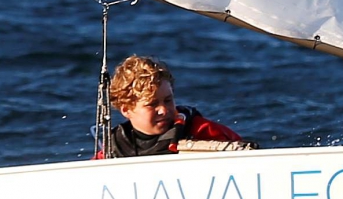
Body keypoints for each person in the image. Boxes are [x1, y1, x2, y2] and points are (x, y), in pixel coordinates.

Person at [97, 54, 255, 159]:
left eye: (168, 100)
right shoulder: (114, 149)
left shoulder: (201, 131)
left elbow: (248, 157)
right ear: (126, 110)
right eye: (152, 104)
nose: (164, 110)